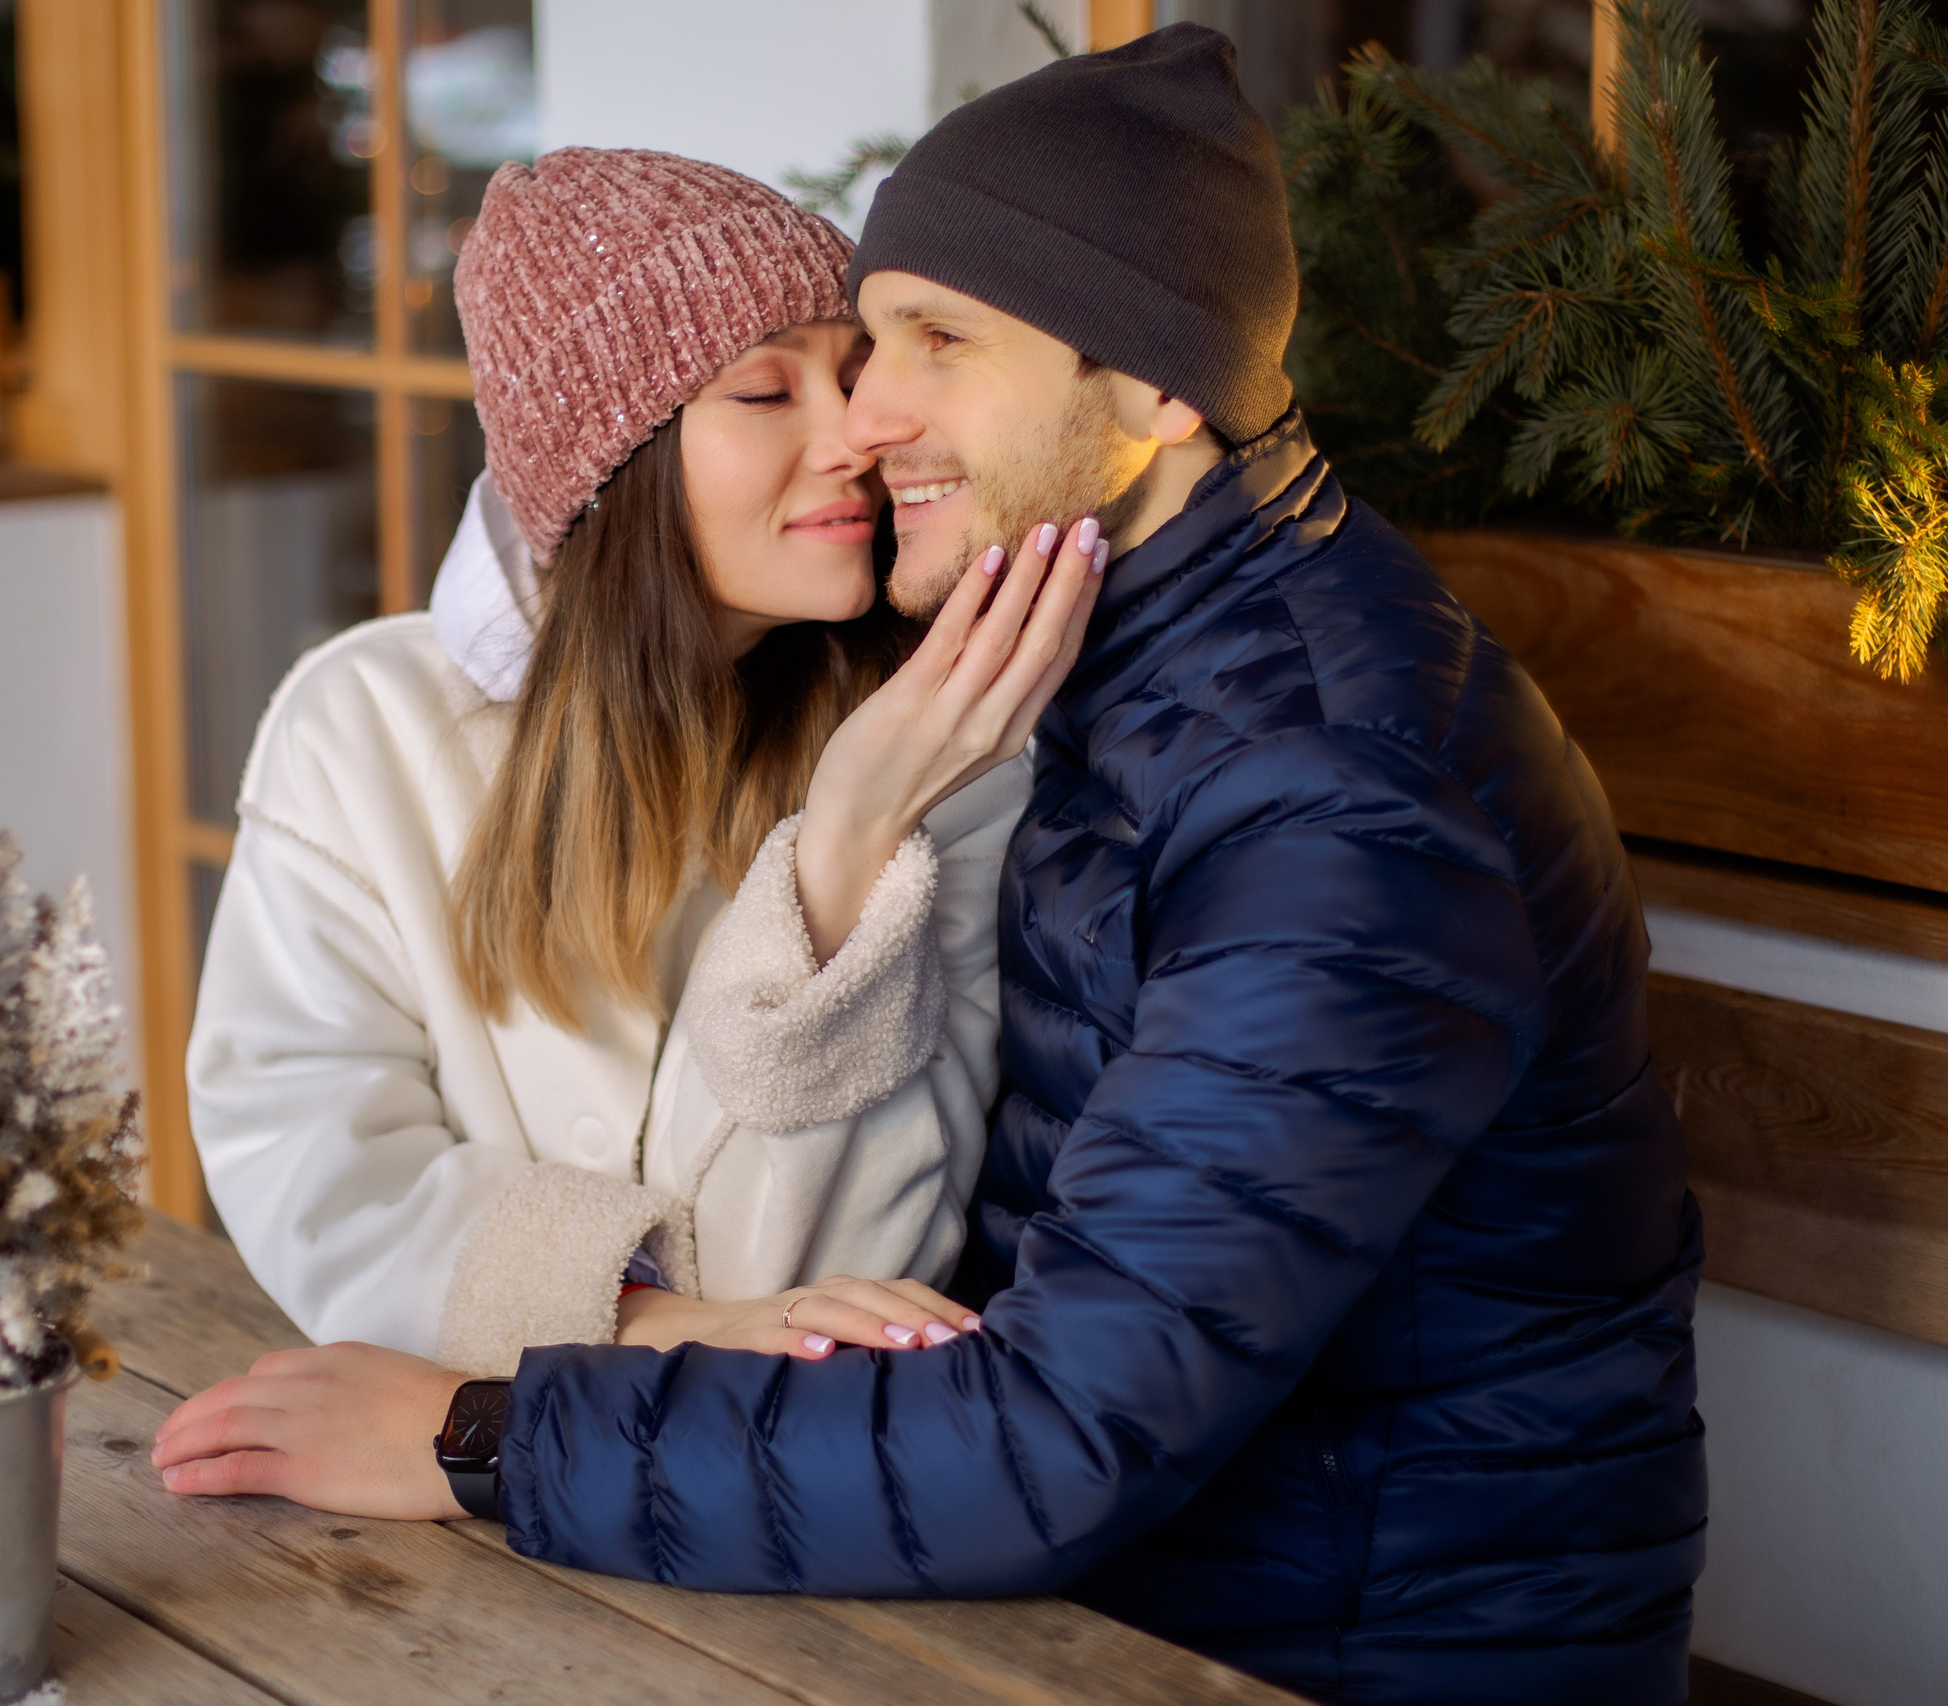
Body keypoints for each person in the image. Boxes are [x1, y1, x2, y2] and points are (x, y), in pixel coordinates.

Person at [156, 30, 1704, 1706]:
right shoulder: (1127, 692)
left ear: (1162, 381)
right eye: (808, 371)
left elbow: (1042, 1427)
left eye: (925, 346)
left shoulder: (1324, 793)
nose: (867, 423)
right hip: (1103, 1568)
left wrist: (484, 1434)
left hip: (1318, 1644)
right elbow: (318, 1131)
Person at [181, 148, 1103, 1387]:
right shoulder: (365, 726)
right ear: (610, 465)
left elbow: (833, 1282)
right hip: (434, 1496)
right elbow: (312, 1158)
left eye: (851, 372)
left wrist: (846, 843)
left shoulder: (946, 755)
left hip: (791, 1513)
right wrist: (654, 1325)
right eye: (765, 394)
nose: (857, 437)